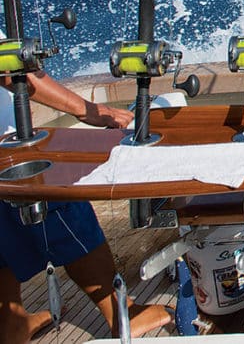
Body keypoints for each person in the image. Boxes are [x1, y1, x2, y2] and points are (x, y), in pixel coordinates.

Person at [0, 70, 172, 342]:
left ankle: (11, 322)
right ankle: (121, 313)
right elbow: (11, 71)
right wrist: (90, 111)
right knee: (67, 213)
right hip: (8, 156)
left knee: (3, 236)